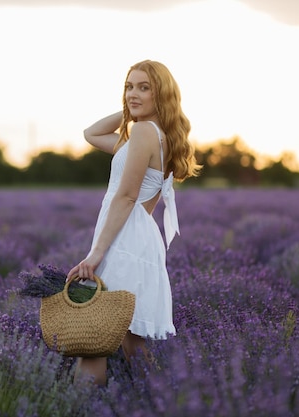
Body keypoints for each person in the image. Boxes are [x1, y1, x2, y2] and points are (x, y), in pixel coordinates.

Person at [66, 59, 201, 385]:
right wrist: (130, 107)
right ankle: (157, 400)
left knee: (94, 341)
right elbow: (91, 134)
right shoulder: (153, 135)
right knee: (131, 343)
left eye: (144, 88)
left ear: (163, 95)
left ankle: (80, 408)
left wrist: (96, 254)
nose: (132, 94)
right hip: (137, 240)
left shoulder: (142, 132)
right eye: (129, 87)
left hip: (124, 242)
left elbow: (126, 197)